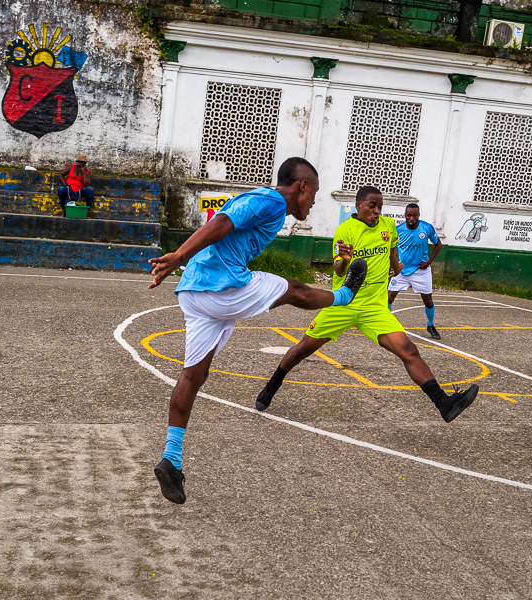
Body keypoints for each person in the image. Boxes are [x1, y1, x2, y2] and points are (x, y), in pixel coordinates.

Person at [148, 157, 368, 504]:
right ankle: (345, 294)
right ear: (302, 186)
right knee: (294, 289)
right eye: (315, 194)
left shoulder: (264, 201)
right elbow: (222, 222)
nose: (313, 202)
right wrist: (179, 254)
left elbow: (226, 224)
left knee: (194, 375)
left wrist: (182, 261)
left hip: (194, 291)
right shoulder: (272, 201)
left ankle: (171, 460)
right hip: (219, 286)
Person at [255, 185, 479, 423]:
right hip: (344, 304)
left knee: (409, 351)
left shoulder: (388, 225)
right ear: (359, 205)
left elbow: (392, 249)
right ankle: (272, 385)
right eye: (372, 206)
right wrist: (346, 260)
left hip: (374, 307)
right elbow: (338, 268)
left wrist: (396, 266)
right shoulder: (346, 230)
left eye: (380, 207)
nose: (377, 211)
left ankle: (443, 403)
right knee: (302, 350)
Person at [387, 203, 443, 339]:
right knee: (389, 297)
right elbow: (390, 247)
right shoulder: (397, 229)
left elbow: (438, 244)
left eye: (414, 215)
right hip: (401, 270)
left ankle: (430, 325)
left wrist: (429, 261)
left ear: (418, 215)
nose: (411, 218)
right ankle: (386, 326)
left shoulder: (426, 228)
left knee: (428, 301)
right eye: (409, 215)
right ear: (405, 215)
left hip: (420, 270)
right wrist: (393, 265)